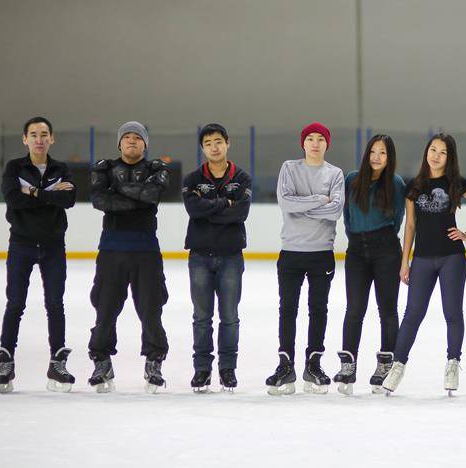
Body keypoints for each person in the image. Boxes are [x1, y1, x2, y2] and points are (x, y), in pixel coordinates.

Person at [381, 133, 466, 396]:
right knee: (413, 314)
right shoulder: (414, 186)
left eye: (443, 152)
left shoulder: (456, 183)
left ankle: (453, 363)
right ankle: (398, 365)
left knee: (452, 313)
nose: (436, 156)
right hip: (422, 260)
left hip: (452, 258)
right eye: (433, 150)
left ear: (450, 158)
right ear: (426, 152)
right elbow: (410, 226)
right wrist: (405, 262)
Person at [0, 116, 77, 393]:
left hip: (53, 246)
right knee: (15, 303)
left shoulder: (60, 168)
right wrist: (49, 194)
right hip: (21, 244)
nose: (39, 139)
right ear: (25, 139)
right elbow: (12, 199)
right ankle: (6, 362)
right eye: (33, 134)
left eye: (44, 134)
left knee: (55, 304)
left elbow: (68, 199)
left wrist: (32, 191)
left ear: (52, 138)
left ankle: (57, 362)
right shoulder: (14, 167)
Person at [88, 121, 171, 393]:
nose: (132, 141)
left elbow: (153, 196)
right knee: (105, 308)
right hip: (112, 249)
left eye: (137, 137)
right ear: (119, 143)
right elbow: (100, 201)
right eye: (127, 137)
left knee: (151, 308)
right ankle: (101, 361)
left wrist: (117, 190)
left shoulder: (156, 169)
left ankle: (154, 361)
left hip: (146, 249)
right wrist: (137, 197)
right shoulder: (104, 168)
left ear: (145, 144)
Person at [266, 122, 344, 395]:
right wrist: (319, 199)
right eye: (310, 138)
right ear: (303, 143)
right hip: (291, 251)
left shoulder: (335, 174)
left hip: (321, 252)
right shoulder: (289, 168)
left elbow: (335, 211)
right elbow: (285, 203)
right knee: (287, 309)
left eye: (320, 139)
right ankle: (285, 365)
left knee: (318, 310)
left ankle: (314, 364)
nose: (315, 143)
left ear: (327, 143)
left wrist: (301, 207)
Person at [333, 134, 406, 395]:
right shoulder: (352, 179)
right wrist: (358, 238)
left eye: (383, 153)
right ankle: (348, 364)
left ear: (389, 157)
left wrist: (379, 239)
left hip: (386, 250)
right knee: (354, 308)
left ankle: (386, 363)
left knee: (387, 309)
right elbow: (347, 215)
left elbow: (398, 218)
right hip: (356, 251)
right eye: (373, 151)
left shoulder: (396, 183)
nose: (377, 157)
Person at [182, 123, 252, 393]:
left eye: (218, 141)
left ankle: (227, 369)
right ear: (202, 148)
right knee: (202, 317)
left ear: (227, 143)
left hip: (231, 256)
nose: (214, 147)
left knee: (229, 316)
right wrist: (225, 203)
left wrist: (208, 207)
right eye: (208, 143)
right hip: (200, 257)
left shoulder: (242, 178)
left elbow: (241, 213)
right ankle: (202, 369)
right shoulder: (192, 179)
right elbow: (193, 210)